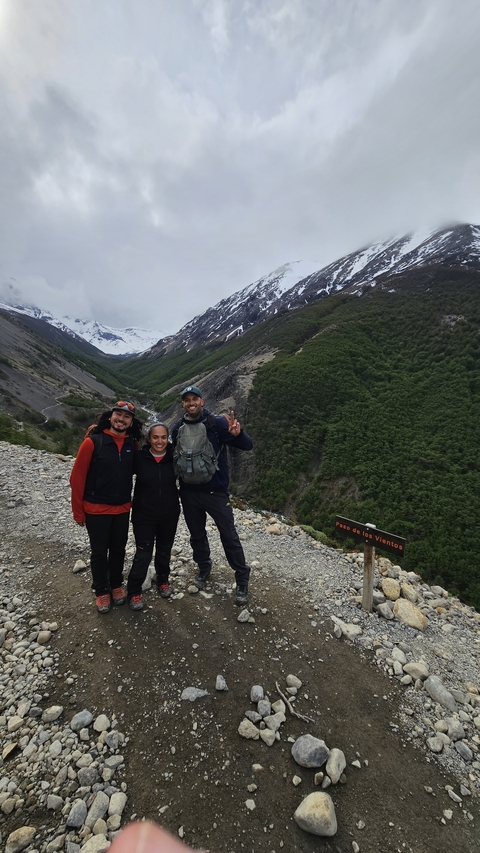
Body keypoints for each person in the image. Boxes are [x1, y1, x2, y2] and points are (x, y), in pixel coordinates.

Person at [171, 385, 253, 606]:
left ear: (202, 401)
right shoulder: (178, 427)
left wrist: (239, 433)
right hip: (188, 492)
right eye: (186, 400)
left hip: (215, 492)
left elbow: (247, 445)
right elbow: (170, 457)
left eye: (194, 399)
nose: (191, 403)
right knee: (196, 535)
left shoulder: (215, 424)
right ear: (183, 404)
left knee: (229, 535)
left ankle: (242, 578)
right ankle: (204, 567)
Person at [70, 401, 142, 614]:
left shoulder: (132, 444)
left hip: (121, 509)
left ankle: (116, 584)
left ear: (131, 422)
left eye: (126, 416)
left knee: (119, 549)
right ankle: (101, 589)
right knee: (99, 552)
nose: (121, 419)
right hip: (96, 509)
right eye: (118, 414)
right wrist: (78, 511)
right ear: (110, 417)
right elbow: (77, 478)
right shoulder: (93, 442)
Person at [126, 422, 180, 611]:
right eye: (155, 437)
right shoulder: (138, 458)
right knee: (143, 554)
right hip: (144, 515)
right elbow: (118, 471)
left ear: (168, 439)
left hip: (169, 513)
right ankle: (133, 591)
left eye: (163, 437)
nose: (159, 441)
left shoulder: (174, 458)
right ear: (149, 439)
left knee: (165, 550)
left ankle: (163, 580)